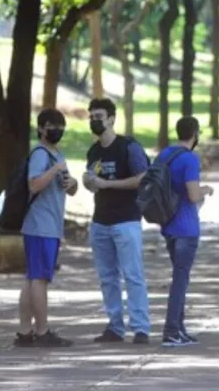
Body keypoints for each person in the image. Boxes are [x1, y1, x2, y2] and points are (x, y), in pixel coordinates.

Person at [83, 98, 151, 344]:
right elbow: (94, 180)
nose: (94, 121)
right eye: (91, 116)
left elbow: (142, 178)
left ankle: (141, 328)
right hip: (100, 221)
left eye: (99, 116)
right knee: (107, 277)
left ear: (111, 119)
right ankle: (115, 326)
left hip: (126, 220)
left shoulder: (128, 147)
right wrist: (89, 182)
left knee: (133, 275)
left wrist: (108, 184)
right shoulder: (94, 151)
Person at [14, 108, 77, 348]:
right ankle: (42, 332)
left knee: (32, 278)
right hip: (41, 226)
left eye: (61, 127)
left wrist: (72, 183)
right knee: (39, 279)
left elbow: (69, 188)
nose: (57, 131)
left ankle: (25, 332)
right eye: (52, 126)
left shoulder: (57, 154)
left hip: (48, 225)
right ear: (41, 129)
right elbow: (34, 185)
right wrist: (54, 170)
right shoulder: (41, 154)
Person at [157, 116, 213, 347]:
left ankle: (179, 328)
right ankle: (171, 329)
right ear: (195, 134)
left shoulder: (165, 155)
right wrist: (206, 189)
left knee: (180, 276)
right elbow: (193, 194)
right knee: (180, 279)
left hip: (168, 223)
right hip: (186, 226)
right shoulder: (190, 159)